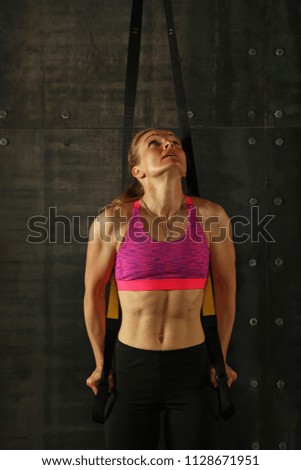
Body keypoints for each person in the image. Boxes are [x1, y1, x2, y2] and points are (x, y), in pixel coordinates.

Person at [83, 128, 237, 450]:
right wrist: (101, 363)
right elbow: (94, 293)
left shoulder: (211, 216)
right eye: (155, 143)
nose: (169, 145)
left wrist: (219, 359)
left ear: (184, 166)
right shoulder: (114, 220)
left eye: (175, 144)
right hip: (129, 370)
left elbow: (226, 289)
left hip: (193, 369)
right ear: (137, 171)